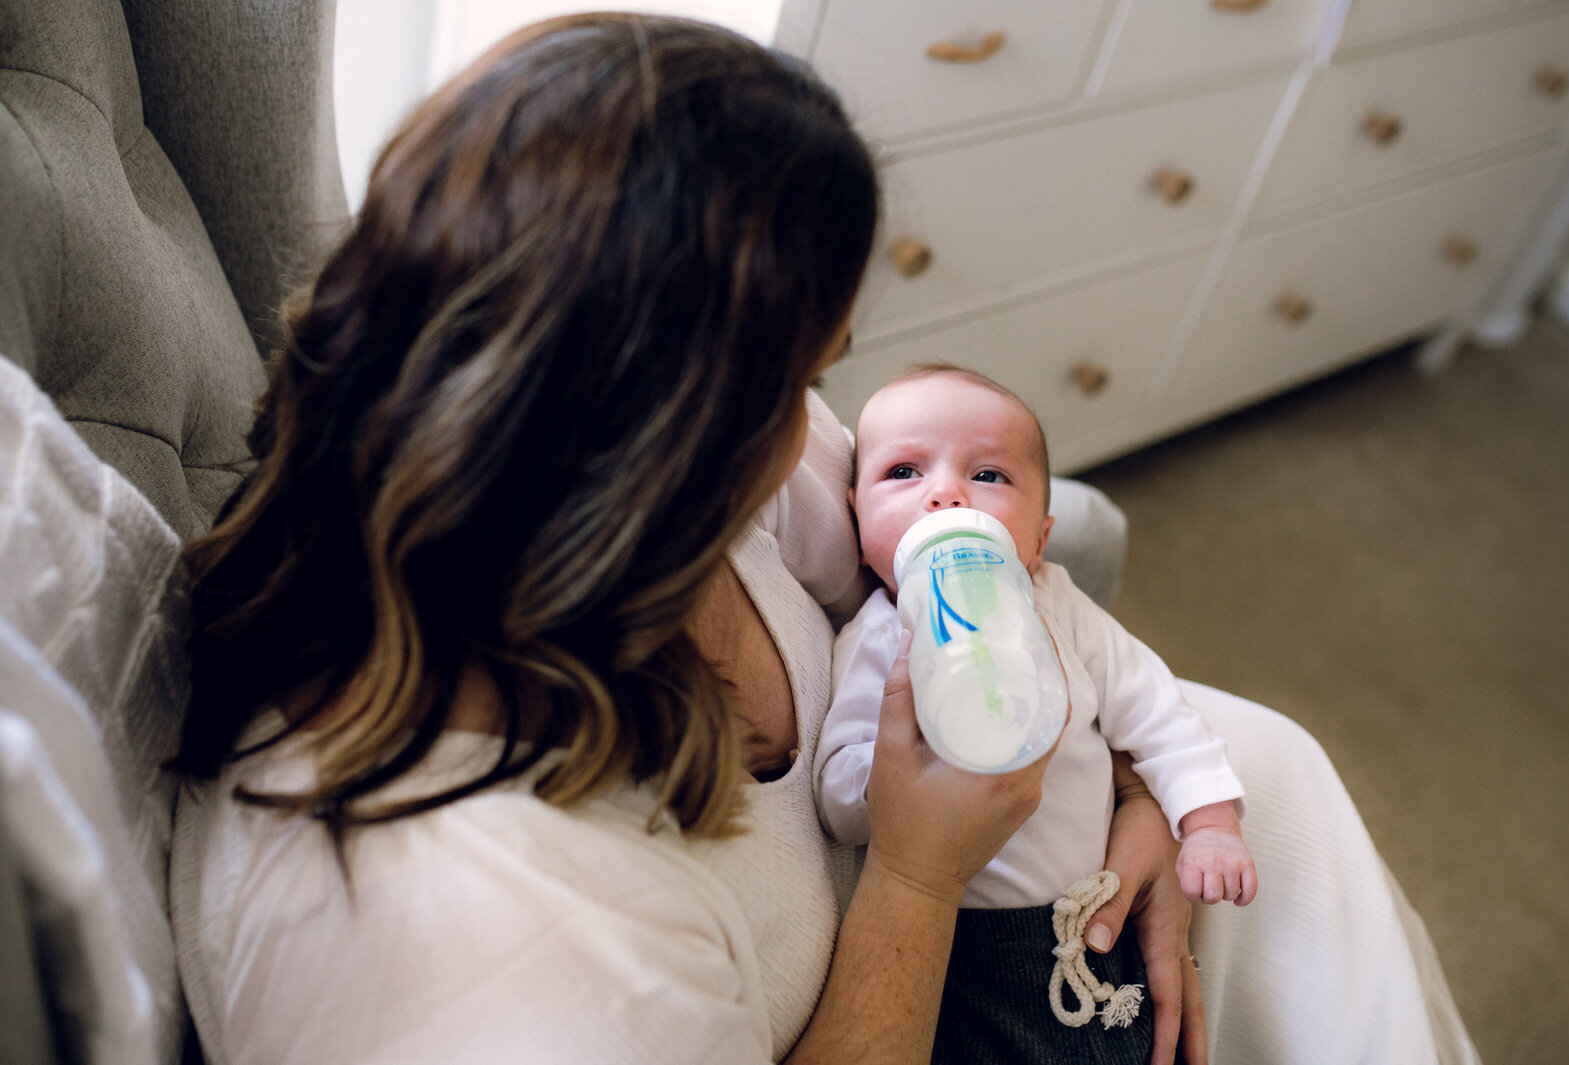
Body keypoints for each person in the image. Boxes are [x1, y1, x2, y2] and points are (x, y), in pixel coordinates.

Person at [167, 15, 1207, 1065]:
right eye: (798, 378)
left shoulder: (680, 486)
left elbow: (943, 585)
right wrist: (915, 882)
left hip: (1061, 882)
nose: (815, 426)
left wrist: (1141, 794)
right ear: (677, 428)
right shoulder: (502, 950)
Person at [815, 364, 1256, 1063]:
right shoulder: (875, 637)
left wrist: (1208, 823)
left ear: (1041, 537)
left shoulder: (1058, 602)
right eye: (903, 470)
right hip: (960, 949)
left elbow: (1155, 704)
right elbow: (836, 800)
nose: (946, 493)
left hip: (1098, 919)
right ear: (857, 517)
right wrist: (909, 765)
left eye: (988, 475)